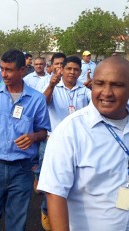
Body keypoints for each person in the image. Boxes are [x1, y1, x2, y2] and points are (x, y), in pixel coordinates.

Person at [37, 56, 129, 231]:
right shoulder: (70, 131)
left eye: (117, 85)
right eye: (100, 83)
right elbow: (55, 193)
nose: (107, 92)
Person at [0, 49, 50, 231]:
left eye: (9, 70)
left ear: (22, 70)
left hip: (22, 169)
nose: (3, 74)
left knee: (17, 223)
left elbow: (43, 132)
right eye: (2, 69)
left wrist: (33, 137)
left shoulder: (36, 100)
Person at [38, 56, 91, 230]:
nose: (72, 72)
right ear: (61, 69)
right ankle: (47, 211)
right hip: (53, 142)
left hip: (80, 143)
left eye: (76, 69)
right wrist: (51, 86)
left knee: (76, 182)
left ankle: (71, 216)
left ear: (80, 72)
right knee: (53, 183)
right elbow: (41, 105)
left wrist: (95, 88)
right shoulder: (54, 87)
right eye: (68, 69)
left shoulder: (84, 90)